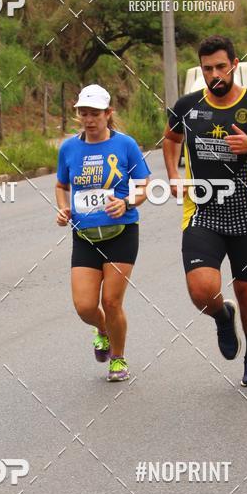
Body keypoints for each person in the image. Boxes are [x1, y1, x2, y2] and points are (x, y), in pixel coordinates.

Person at [162, 34, 247, 386]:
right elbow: (171, 139)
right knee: (202, 290)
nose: (215, 74)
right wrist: (173, 175)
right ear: (201, 69)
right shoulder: (186, 106)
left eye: (221, 66)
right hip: (203, 213)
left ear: (234, 64)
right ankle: (221, 315)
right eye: (207, 69)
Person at [56, 84, 150, 381]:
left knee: (111, 302)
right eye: (83, 113)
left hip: (121, 232)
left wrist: (126, 202)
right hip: (84, 235)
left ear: (109, 114)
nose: (89, 119)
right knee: (85, 306)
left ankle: (118, 359)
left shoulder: (125, 145)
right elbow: (61, 185)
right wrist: (63, 209)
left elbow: (144, 185)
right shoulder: (69, 148)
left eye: (95, 113)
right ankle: (102, 330)